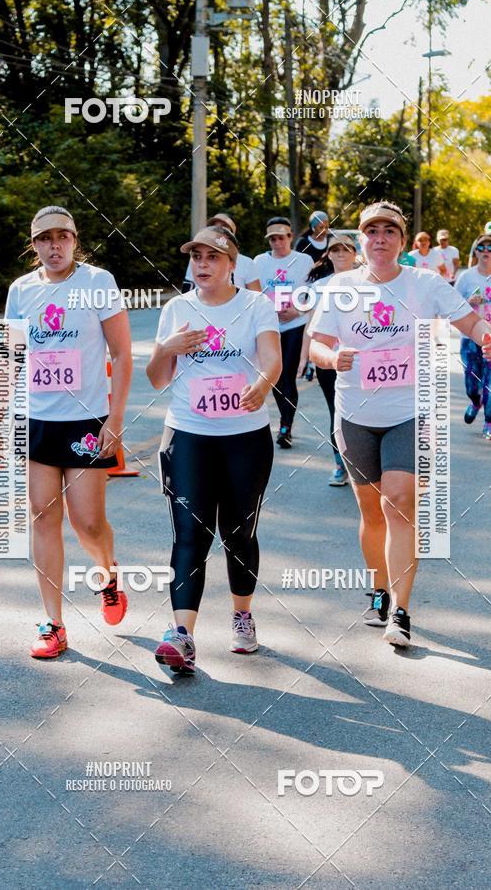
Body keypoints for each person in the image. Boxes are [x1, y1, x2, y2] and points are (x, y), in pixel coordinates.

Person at [309, 200, 491, 648]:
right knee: (371, 511)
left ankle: (401, 609)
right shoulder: (341, 286)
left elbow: (468, 319)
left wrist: (486, 336)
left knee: (399, 503)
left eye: (389, 231)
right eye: (371, 231)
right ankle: (378, 589)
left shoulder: (425, 283)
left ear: (401, 239)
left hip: (409, 412)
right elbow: (316, 343)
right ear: (361, 240)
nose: (380, 239)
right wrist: (330, 357)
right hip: (355, 412)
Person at [0, 206, 132, 658]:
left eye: (62, 237)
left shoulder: (97, 282)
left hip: (86, 421)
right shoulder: (21, 290)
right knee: (43, 518)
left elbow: (123, 355)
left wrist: (116, 417)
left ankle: (108, 576)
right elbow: (9, 359)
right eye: (44, 239)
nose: (54, 246)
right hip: (35, 421)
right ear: (34, 246)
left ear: (74, 239)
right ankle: (54, 623)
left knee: (87, 522)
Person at [147, 227, 282, 674]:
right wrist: (165, 348)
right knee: (189, 534)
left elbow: (272, 358)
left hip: (245, 437)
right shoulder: (176, 309)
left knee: (238, 534)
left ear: (232, 265)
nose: (202, 264)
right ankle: (182, 636)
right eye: (196, 256)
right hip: (188, 434)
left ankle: (242, 614)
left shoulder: (256, 306)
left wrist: (262, 385)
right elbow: (156, 379)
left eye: (213, 257)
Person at [252, 217, 313, 448]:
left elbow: (313, 294)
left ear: (290, 237)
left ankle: (286, 425)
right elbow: (253, 293)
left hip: (295, 325)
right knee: (274, 376)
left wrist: (297, 311)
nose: (277, 243)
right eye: (272, 239)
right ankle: (284, 419)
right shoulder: (259, 261)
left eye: (281, 237)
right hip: (269, 328)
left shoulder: (304, 260)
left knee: (287, 374)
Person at [308, 233, 359, 487]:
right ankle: (340, 465)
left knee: (361, 411)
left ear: (355, 254)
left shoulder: (367, 284)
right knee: (336, 411)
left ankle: (363, 464)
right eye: (335, 249)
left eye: (346, 249)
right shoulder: (319, 287)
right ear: (328, 254)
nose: (340, 253)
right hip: (329, 361)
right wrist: (303, 361)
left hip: (361, 361)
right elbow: (311, 328)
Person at [455, 233, 491, 438]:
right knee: (472, 383)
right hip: (470, 336)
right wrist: (469, 301)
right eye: (481, 247)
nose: (486, 251)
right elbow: (453, 306)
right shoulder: (466, 277)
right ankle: (474, 401)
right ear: (476, 251)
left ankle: (489, 424)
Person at [182, 213, 260, 293]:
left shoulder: (247, 262)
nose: (202, 264)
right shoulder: (196, 260)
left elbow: (256, 298)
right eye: (213, 226)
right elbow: (188, 286)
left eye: (212, 257)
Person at [295, 210, 334, 276]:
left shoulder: (331, 240)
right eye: (321, 227)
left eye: (326, 227)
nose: (324, 230)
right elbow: (297, 264)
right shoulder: (303, 242)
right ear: (313, 227)